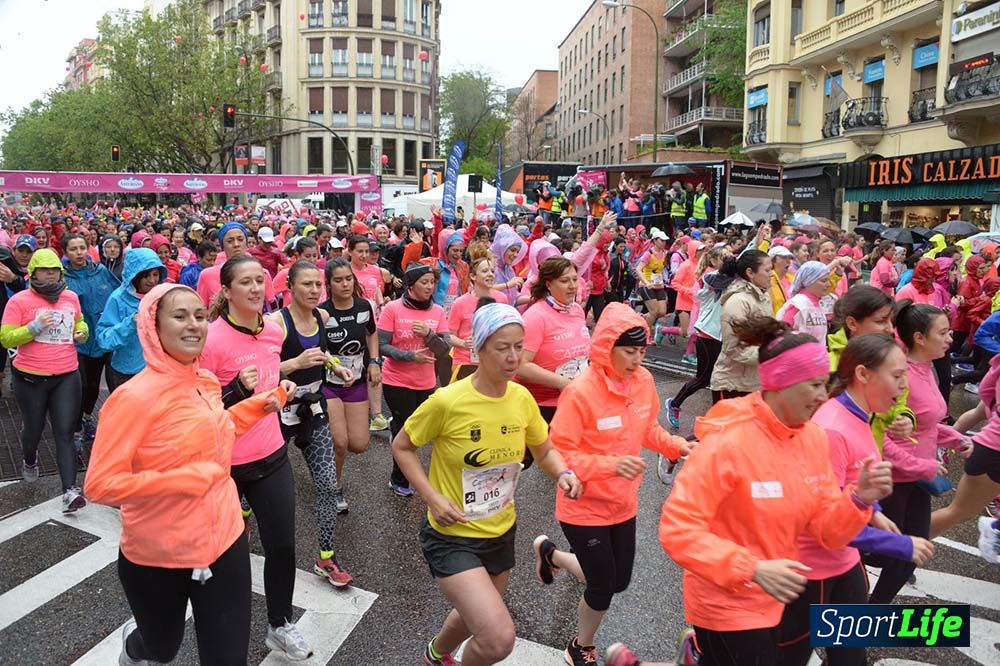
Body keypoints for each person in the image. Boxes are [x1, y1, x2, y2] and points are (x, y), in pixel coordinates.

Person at [613, 314, 893, 666]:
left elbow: (825, 530)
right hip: (727, 601)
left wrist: (858, 500)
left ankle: (694, 659)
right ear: (778, 384)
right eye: (813, 386)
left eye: (825, 384)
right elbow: (677, 530)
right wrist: (753, 569)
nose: (824, 397)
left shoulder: (814, 439)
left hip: (781, 594)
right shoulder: (728, 442)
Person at [84, 283, 292, 666]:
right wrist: (180, 480)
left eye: (199, 316)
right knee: (162, 649)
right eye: (179, 316)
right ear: (153, 326)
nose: (193, 325)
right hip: (158, 553)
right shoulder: (132, 399)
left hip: (224, 538)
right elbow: (99, 483)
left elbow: (216, 430)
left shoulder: (206, 382)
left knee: (228, 659)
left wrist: (265, 405)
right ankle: (136, 647)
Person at [390, 302, 583, 666]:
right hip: (452, 533)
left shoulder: (521, 398)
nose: (513, 357)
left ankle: (435, 653)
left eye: (518, 346)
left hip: (499, 529)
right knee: (497, 639)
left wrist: (564, 473)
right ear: (479, 348)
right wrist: (431, 498)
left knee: (474, 615)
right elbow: (402, 446)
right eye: (501, 347)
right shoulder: (448, 401)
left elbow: (543, 450)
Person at [531, 303, 690, 666]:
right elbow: (559, 452)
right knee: (602, 586)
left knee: (618, 580)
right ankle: (580, 646)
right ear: (606, 348)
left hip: (623, 502)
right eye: (629, 352)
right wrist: (610, 465)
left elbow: (646, 428)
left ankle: (552, 555)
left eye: (642, 351)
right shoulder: (581, 392)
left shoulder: (644, 381)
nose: (637, 360)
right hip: (583, 504)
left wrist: (675, 445)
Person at [778, 333, 935, 666]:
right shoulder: (833, 429)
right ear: (863, 374)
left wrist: (875, 511)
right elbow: (824, 524)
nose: (904, 385)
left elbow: (852, 482)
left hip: (846, 565)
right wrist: (900, 546)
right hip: (811, 573)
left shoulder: (861, 417)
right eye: (896, 376)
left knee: (850, 658)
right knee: (788, 658)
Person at [200, 255, 314, 660]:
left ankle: (280, 624)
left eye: (258, 282)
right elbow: (198, 406)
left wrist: (281, 385)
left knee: (282, 545)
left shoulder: (272, 330)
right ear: (226, 291)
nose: (253, 289)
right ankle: (215, 629)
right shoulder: (210, 339)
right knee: (224, 556)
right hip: (225, 463)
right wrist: (233, 391)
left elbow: (268, 371)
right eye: (244, 282)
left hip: (271, 453)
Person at [869, 301, 972, 604]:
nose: (950, 338)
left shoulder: (927, 369)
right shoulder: (900, 376)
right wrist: (915, 465)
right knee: (885, 554)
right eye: (943, 332)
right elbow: (878, 435)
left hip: (917, 478)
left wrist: (955, 438)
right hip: (893, 480)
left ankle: (869, 616)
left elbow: (927, 425)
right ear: (919, 338)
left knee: (911, 553)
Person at [269, 260, 355, 586]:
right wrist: (295, 363)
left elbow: (323, 352)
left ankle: (326, 558)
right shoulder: (276, 323)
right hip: (279, 411)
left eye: (318, 285)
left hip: (313, 410)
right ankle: (243, 517)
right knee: (257, 481)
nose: (315, 290)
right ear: (290, 286)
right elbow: (262, 371)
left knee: (327, 485)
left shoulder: (323, 316)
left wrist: (336, 367)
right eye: (307, 285)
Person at [0, 248, 90, 512]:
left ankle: (69, 491)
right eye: (45, 271)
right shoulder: (19, 301)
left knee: (64, 432)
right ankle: (30, 459)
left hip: (66, 374)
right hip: (30, 378)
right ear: (32, 273)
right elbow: (5, 337)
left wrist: (82, 332)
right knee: (34, 431)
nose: (50, 276)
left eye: (54, 271)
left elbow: (80, 322)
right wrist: (33, 328)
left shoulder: (70, 297)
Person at [379, 264, 450, 496]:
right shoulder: (393, 309)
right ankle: (397, 478)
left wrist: (428, 336)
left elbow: (444, 348)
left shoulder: (437, 312)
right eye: (424, 282)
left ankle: (395, 426)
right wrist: (409, 356)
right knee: (406, 430)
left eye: (432, 282)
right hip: (396, 379)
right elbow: (381, 346)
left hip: (426, 381)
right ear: (410, 285)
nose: (430, 286)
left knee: (420, 430)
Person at [319, 257, 381, 512]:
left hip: (356, 382)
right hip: (329, 384)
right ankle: (334, 487)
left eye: (348, 279)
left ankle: (321, 454)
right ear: (329, 284)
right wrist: (334, 365)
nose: (345, 284)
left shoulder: (364, 306)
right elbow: (317, 349)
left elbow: (372, 332)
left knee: (359, 443)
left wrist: (374, 361)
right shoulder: (322, 313)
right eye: (338, 280)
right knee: (340, 442)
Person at [61, 232, 120, 454]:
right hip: (78, 340)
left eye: (81, 248)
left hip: (104, 337)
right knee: (82, 385)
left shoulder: (101, 271)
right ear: (66, 252)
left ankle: (87, 418)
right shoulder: (63, 277)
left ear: (88, 249)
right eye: (73, 249)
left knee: (98, 385)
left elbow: (118, 293)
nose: (78, 253)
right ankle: (74, 429)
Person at [517, 256, 592, 424]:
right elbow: (520, 366)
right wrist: (563, 382)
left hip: (576, 401)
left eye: (575, 279)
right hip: (542, 407)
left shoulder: (577, 310)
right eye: (565, 281)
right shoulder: (535, 316)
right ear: (549, 284)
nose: (573, 286)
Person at [665, 248, 733, 428]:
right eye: (725, 257)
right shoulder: (711, 276)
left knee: (718, 378)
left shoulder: (727, 276)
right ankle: (674, 403)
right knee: (703, 379)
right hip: (706, 334)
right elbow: (726, 276)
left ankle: (718, 416)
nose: (729, 260)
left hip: (719, 334)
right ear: (715, 260)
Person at [96, 248, 166, 392]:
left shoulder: (163, 296)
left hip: (157, 370)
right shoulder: (118, 299)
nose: (152, 280)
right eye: (146, 276)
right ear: (135, 275)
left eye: (155, 274)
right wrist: (131, 323)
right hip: (127, 373)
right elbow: (104, 340)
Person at [709, 250, 772, 401]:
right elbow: (735, 347)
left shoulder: (763, 297)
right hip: (732, 385)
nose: (771, 274)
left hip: (754, 383)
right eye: (767, 270)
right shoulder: (738, 301)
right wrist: (772, 354)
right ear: (750, 272)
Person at [347, 234, 391, 432]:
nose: (365, 255)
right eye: (360, 251)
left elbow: (376, 292)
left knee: (374, 366)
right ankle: (350, 409)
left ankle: (376, 415)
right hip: (350, 325)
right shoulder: (344, 271)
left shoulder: (375, 271)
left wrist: (382, 304)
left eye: (367, 251)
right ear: (350, 251)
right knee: (354, 368)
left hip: (372, 324)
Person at [448, 256, 508, 382]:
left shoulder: (502, 299)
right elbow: (449, 335)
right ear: (473, 276)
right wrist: (463, 343)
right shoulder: (460, 303)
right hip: (466, 362)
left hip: (494, 361)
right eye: (485, 271)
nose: (490, 274)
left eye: (492, 271)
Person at [776, 261, 831, 348]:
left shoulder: (816, 305)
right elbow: (780, 336)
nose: (828, 284)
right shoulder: (797, 305)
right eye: (823, 281)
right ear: (809, 281)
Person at [634, 229, 669, 334]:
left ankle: (640, 318)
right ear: (654, 241)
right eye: (661, 240)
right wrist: (646, 282)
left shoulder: (664, 253)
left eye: (665, 241)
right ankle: (645, 334)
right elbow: (638, 269)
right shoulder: (648, 254)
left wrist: (665, 278)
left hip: (659, 285)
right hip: (647, 285)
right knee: (654, 312)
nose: (664, 243)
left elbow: (662, 269)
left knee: (662, 311)